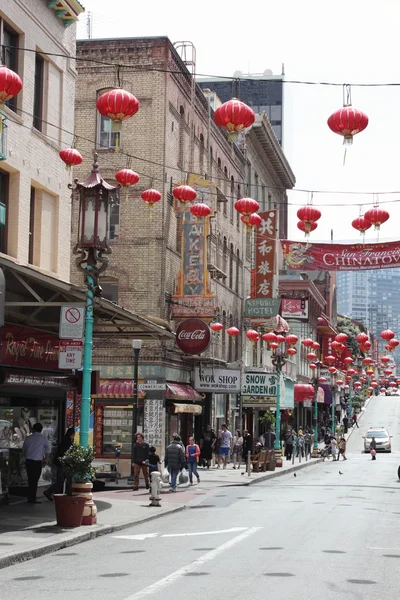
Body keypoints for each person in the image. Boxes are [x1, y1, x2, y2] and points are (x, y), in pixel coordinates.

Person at [22, 422, 51, 504]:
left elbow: (23, 450)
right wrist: (46, 459)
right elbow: (48, 450)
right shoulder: (43, 438)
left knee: (30, 480)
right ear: (41, 430)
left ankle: (30, 497)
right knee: (35, 480)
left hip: (28, 461)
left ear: (33, 429)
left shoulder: (28, 438)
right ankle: (32, 498)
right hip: (37, 462)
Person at [44, 427, 74, 501]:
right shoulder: (68, 442)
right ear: (72, 434)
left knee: (61, 480)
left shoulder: (64, 440)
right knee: (67, 479)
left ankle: (50, 492)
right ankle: (67, 495)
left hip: (60, 462)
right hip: (63, 463)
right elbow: (67, 453)